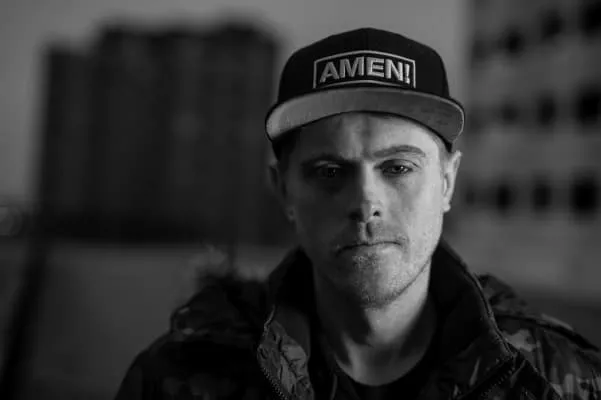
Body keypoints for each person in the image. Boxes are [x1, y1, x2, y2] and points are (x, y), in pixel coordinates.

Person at [114, 28, 601, 399]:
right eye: (329, 171)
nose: (366, 202)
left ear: (447, 182)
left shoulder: (555, 380)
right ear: (283, 190)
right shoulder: (178, 380)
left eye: (398, 167)